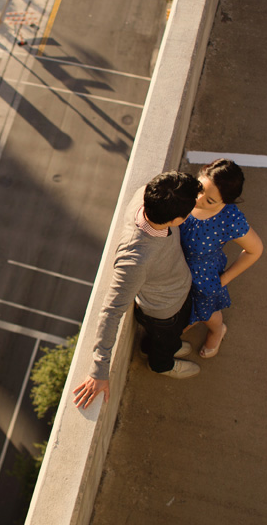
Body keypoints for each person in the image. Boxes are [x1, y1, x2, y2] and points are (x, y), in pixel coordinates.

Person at [73, 171, 203, 409]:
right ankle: (162, 364)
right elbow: (110, 311)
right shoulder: (135, 259)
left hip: (176, 292)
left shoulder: (147, 196)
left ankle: (163, 346)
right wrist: (99, 370)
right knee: (166, 340)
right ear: (176, 220)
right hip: (164, 311)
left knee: (168, 339)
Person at [181, 158, 263, 358]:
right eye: (199, 189)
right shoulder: (185, 191)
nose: (198, 199)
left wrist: (224, 279)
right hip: (175, 266)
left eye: (209, 200)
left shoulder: (230, 219)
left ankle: (217, 330)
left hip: (202, 276)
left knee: (207, 311)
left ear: (225, 202)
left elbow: (256, 250)